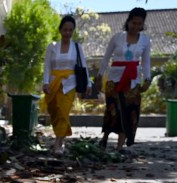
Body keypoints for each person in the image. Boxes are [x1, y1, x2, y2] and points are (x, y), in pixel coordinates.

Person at [95, 7, 151, 151]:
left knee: (129, 112)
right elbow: (106, 58)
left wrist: (148, 79)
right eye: (134, 23)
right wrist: (100, 76)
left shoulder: (145, 41)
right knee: (113, 110)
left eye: (140, 24)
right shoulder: (117, 37)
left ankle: (120, 146)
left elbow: (145, 62)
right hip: (114, 79)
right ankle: (105, 137)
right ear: (128, 22)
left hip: (133, 81)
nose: (136, 26)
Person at [43, 15, 91, 155]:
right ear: (60, 30)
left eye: (70, 30)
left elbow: (84, 66)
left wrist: (88, 83)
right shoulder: (52, 47)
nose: (67, 33)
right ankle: (60, 137)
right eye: (65, 30)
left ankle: (59, 142)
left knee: (63, 111)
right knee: (54, 112)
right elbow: (47, 66)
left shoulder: (77, 47)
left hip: (70, 84)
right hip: (53, 83)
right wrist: (45, 82)